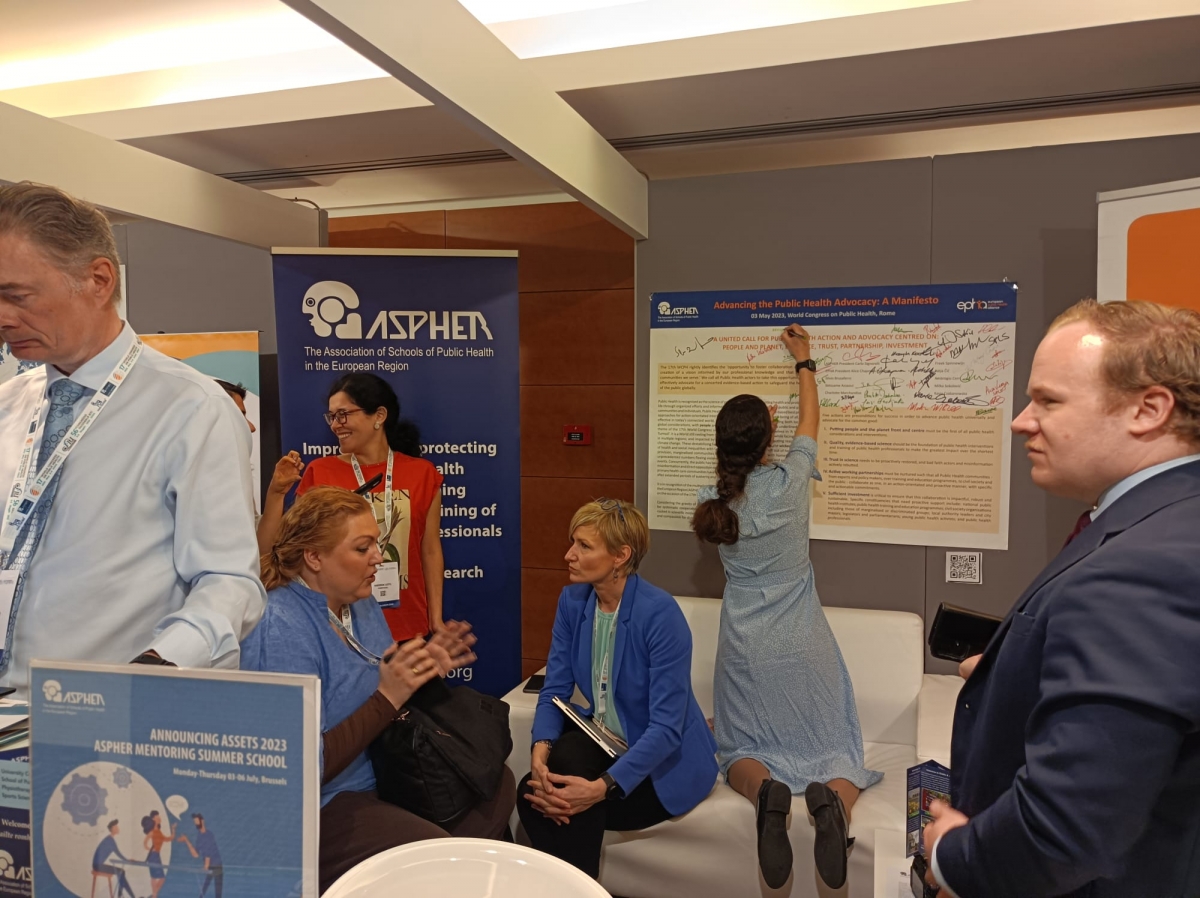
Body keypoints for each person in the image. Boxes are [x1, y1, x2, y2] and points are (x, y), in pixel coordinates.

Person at [922, 299, 1200, 898]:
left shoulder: (1141, 566)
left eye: (1048, 401)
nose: (1021, 422)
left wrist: (953, 857)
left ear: (1148, 409)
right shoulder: (1166, 521)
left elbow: (1068, 828)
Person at [0, 183, 264, 694]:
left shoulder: (191, 409)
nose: (4, 318)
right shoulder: (8, 406)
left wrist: (158, 667)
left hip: (107, 712)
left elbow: (228, 580)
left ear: (98, 280)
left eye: (17, 296)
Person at [242, 486, 515, 892]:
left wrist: (422, 666)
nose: (379, 558)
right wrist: (389, 697)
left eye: (377, 543)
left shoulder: (360, 601)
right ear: (314, 557)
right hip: (321, 803)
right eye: (362, 548)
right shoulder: (280, 626)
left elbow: (381, 682)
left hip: (382, 771)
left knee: (494, 784)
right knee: (437, 855)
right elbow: (300, 767)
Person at [692, 324, 880, 892]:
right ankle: (835, 804)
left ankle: (765, 795)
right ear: (768, 436)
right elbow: (810, 424)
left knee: (739, 750)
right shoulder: (791, 481)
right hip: (802, 639)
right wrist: (804, 361)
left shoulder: (712, 502)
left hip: (744, 646)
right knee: (839, 749)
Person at [519, 499, 718, 879]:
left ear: (620, 556)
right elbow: (554, 689)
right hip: (605, 737)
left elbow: (666, 729)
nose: (569, 554)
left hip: (663, 762)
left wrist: (600, 788)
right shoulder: (572, 601)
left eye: (584, 546)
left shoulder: (660, 615)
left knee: (570, 807)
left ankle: (574, 887)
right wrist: (539, 750)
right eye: (573, 542)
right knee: (533, 793)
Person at [259, 372, 444, 641]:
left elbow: (430, 550)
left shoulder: (422, 473)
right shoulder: (320, 472)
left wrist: (436, 618)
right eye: (332, 416)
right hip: (337, 629)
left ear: (379, 416)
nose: (336, 425)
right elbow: (277, 551)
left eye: (343, 414)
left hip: (408, 626)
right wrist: (276, 493)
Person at [92, 820, 135, 898]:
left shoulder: (109, 839)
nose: (118, 828)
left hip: (98, 865)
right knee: (121, 872)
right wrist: (127, 860)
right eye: (116, 827)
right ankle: (129, 896)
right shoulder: (110, 840)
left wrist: (127, 860)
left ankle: (122, 895)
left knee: (121, 872)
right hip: (97, 866)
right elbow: (118, 854)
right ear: (112, 829)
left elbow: (118, 853)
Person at [141, 810, 178, 898]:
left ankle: (154, 895)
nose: (160, 818)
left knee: (160, 878)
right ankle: (154, 896)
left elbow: (169, 839)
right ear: (154, 819)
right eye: (158, 817)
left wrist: (173, 829)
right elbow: (145, 843)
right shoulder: (152, 832)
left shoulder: (159, 832)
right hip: (153, 856)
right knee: (155, 877)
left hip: (157, 856)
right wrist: (150, 849)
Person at [184, 813, 222, 898]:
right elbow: (196, 854)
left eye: (197, 821)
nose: (196, 823)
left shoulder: (208, 835)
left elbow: (208, 852)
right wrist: (187, 841)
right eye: (195, 822)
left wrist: (206, 866)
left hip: (216, 866)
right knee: (203, 890)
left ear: (202, 821)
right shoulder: (199, 836)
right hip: (209, 866)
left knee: (217, 892)